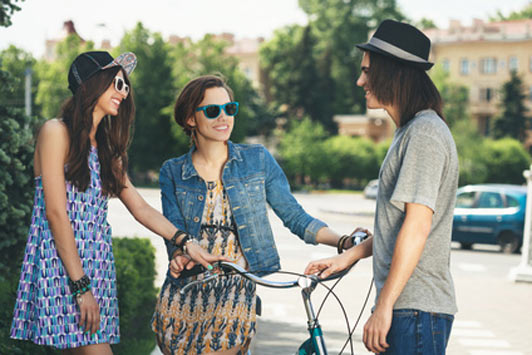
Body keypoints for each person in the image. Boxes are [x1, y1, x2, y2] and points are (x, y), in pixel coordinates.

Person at [9, 51, 223, 354]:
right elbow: (55, 213)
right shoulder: (56, 132)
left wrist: (186, 241)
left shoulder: (108, 149)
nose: (123, 92)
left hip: (97, 264)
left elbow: (140, 207)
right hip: (66, 265)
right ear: (91, 84)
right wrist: (80, 285)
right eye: (116, 84)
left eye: (125, 86)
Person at [151, 74, 356, 355]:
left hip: (235, 290)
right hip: (184, 294)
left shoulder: (257, 160)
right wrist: (178, 256)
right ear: (190, 118)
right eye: (213, 110)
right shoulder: (173, 172)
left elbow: (295, 217)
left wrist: (344, 242)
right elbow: (172, 233)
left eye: (229, 108)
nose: (224, 117)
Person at [305, 20, 459, 354]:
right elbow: (400, 225)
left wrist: (385, 305)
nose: (360, 81)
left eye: (367, 72)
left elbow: (418, 227)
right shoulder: (410, 132)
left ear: (395, 73)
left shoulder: (424, 134)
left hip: (414, 309)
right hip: (410, 308)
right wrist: (350, 256)